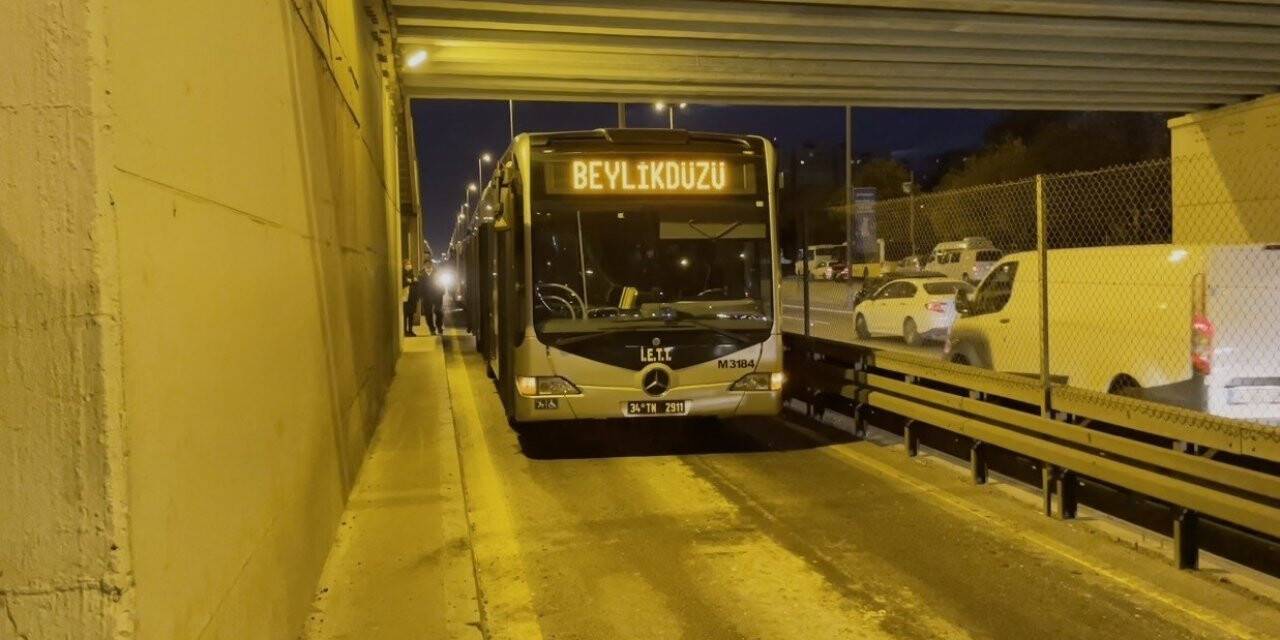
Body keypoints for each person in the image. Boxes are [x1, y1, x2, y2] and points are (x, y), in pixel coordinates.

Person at [420, 263, 445, 335]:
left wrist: (442, 292)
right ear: (424, 266)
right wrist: (421, 296)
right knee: (428, 313)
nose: (428, 267)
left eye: (429, 265)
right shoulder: (421, 275)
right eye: (427, 266)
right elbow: (420, 286)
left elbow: (441, 284)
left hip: (437, 295)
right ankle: (432, 329)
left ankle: (439, 327)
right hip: (426, 297)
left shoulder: (437, 273)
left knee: (439, 312)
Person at [402, 260, 419, 337]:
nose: (409, 265)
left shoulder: (412, 274)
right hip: (405, 298)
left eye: (409, 264)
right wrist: (411, 281)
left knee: (411, 315)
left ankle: (410, 331)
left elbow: (416, 283)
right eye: (407, 264)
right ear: (403, 265)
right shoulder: (402, 274)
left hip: (412, 298)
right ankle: (405, 331)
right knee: (405, 316)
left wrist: (411, 281)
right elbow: (403, 283)